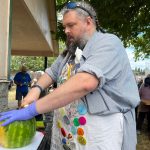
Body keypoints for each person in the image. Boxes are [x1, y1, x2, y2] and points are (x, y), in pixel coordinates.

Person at [0, 1, 140, 150]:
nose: (66, 30)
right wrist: (36, 90)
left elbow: (85, 82)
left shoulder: (109, 43)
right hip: (67, 135)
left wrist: (32, 110)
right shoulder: (71, 51)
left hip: (99, 135)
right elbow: (52, 72)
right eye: (64, 27)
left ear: (88, 21)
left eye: (71, 25)